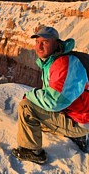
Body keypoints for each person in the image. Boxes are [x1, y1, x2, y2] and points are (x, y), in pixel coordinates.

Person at [12, 26, 89, 164]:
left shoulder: (63, 63)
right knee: (36, 118)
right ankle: (77, 136)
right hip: (77, 114)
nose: (39, 46)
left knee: (26, 107)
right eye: (37, 42)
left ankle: (32, 152)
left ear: (56, 43)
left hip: (80, 121)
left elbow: (54, 102)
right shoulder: (54, 60)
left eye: (45, 42)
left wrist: (30, 95)